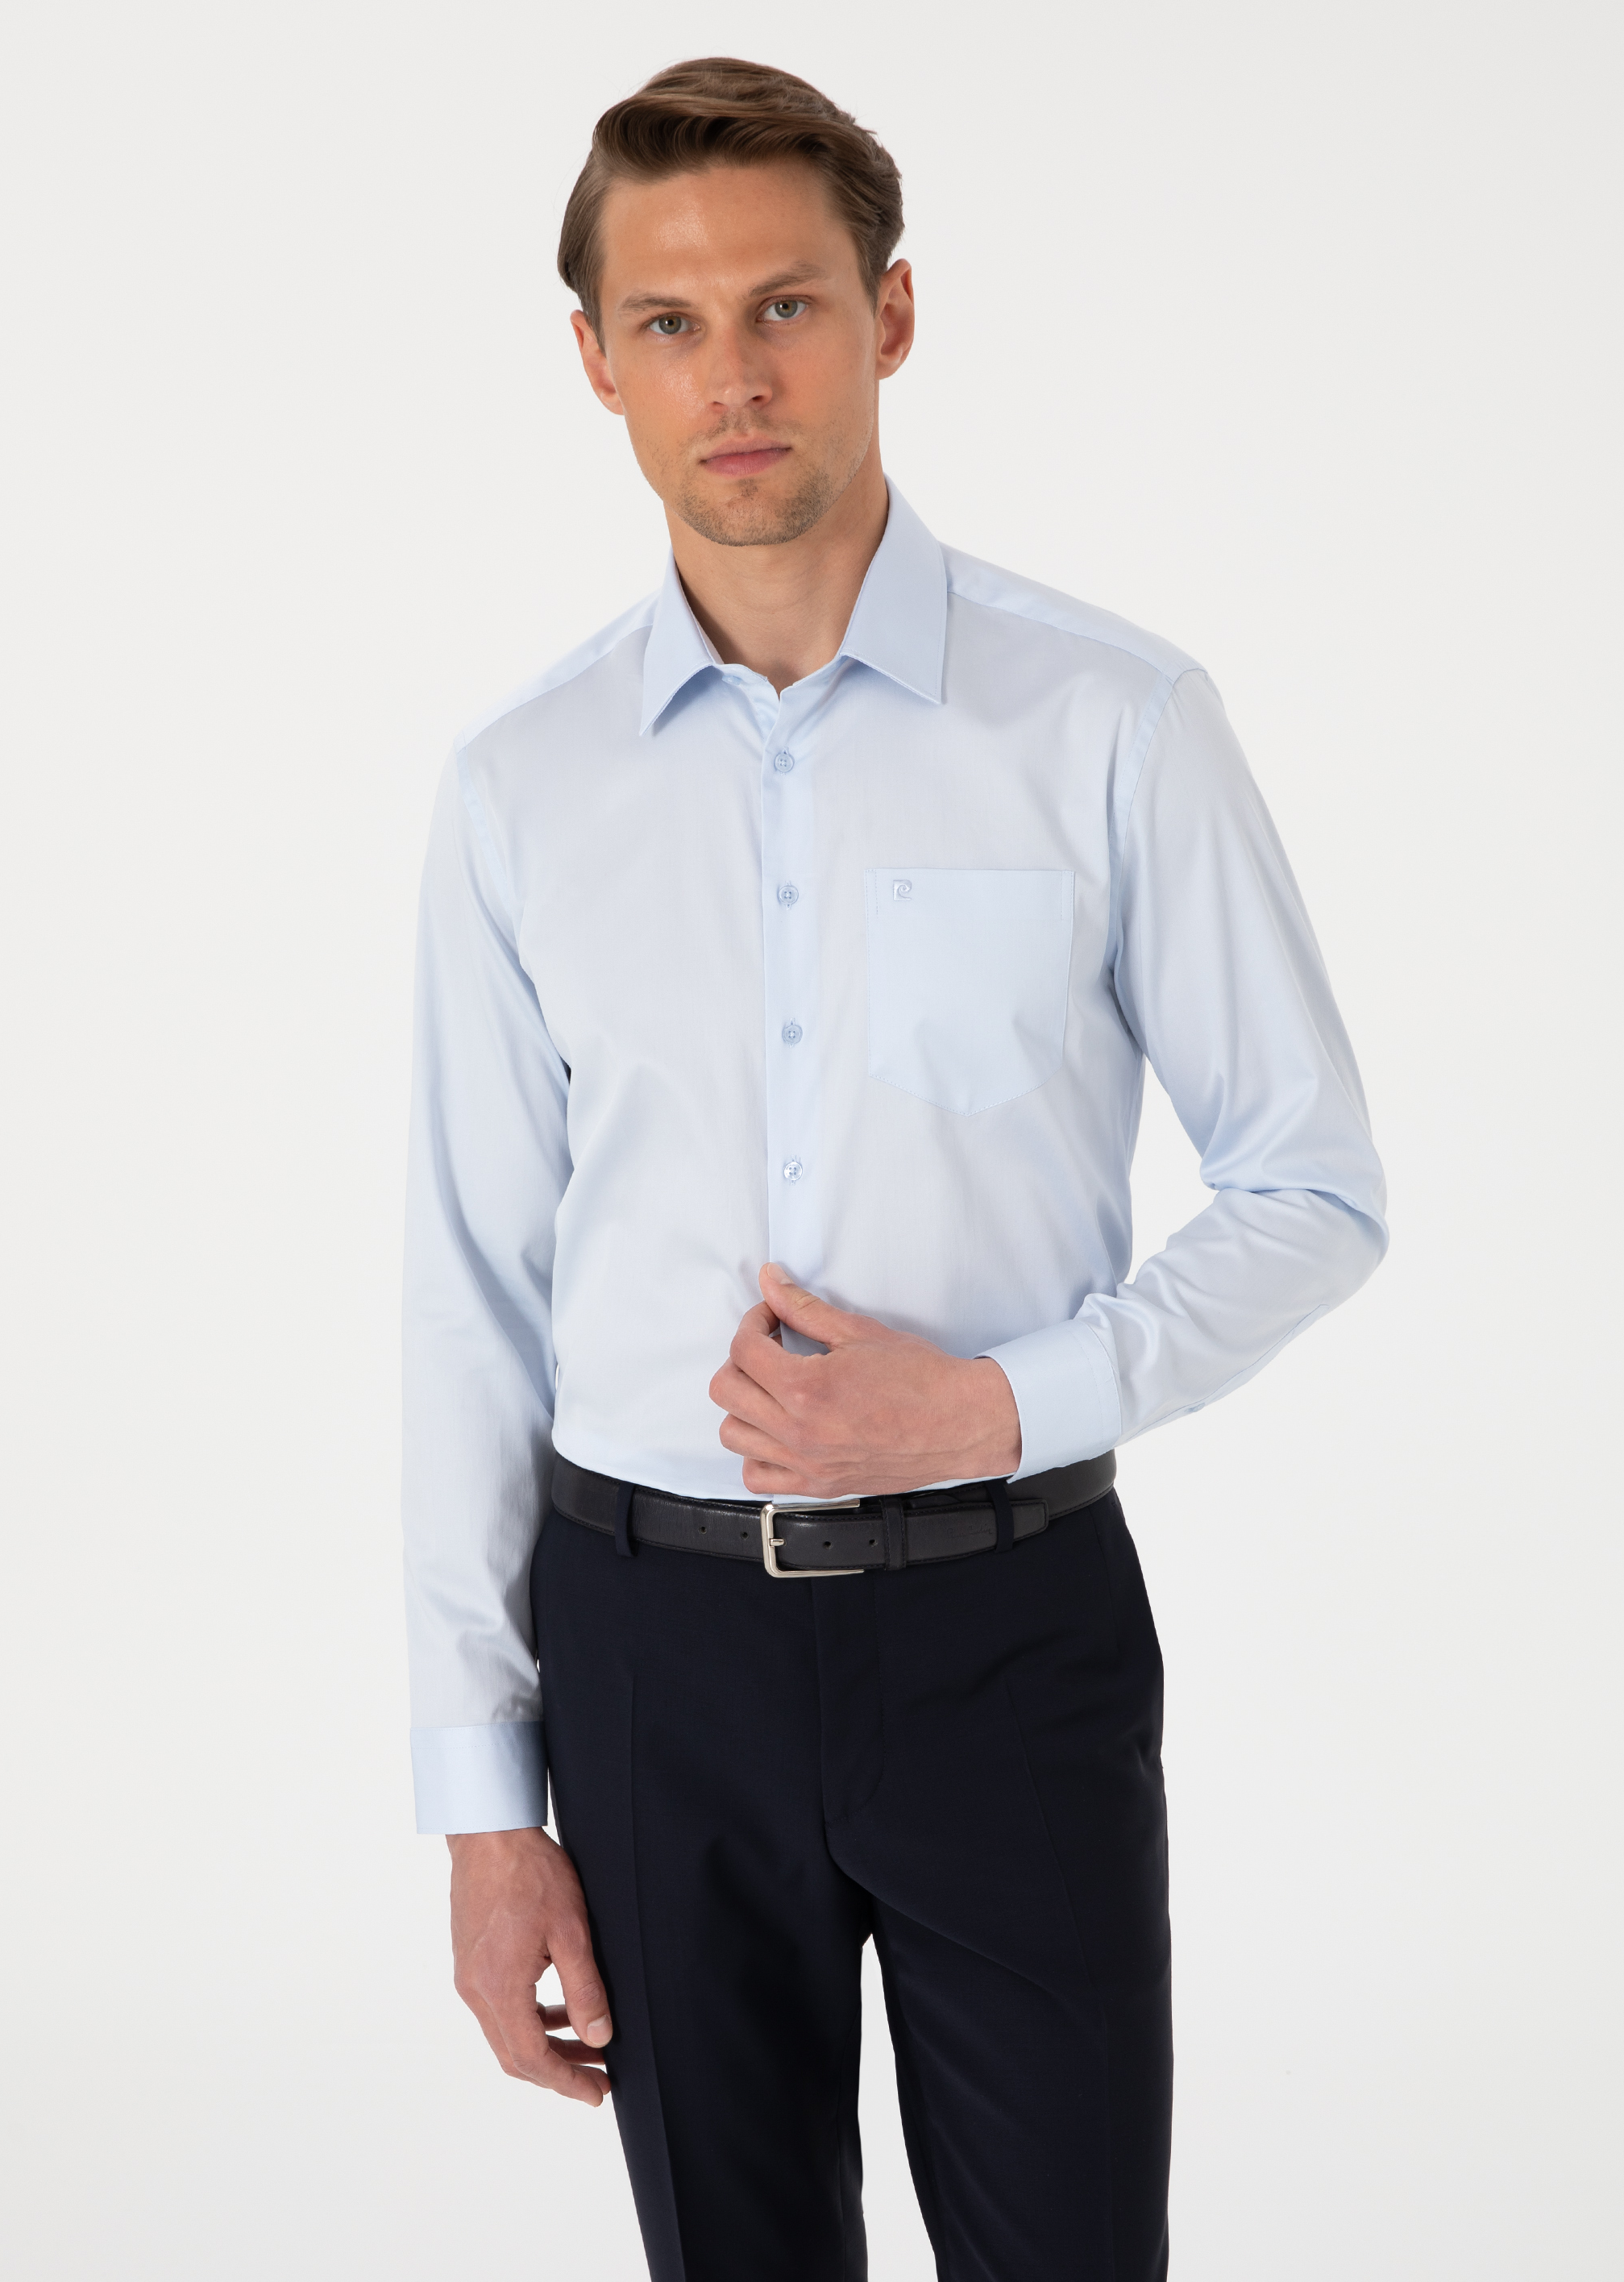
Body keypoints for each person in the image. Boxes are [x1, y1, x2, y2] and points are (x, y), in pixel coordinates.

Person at [402, 56, 1386, 2282]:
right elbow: (469, 1298)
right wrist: (483, 1803)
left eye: (786, 305)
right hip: (645, 1657)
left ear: (892, 316)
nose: (733, 377)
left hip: (1003, 1631)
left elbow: (1313, 1185)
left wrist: (1001, 1400)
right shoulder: (521, 790)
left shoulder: (1109, 722)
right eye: (668, 323)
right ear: (596, 363)